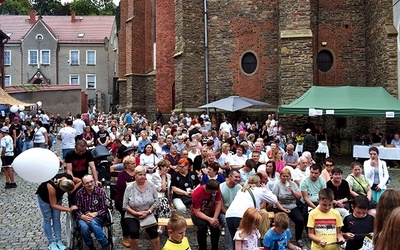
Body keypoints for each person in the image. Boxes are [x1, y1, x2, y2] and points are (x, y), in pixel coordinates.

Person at [225, 174, 277, 248]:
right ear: (258, 182)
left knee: (237, 244)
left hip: (229, 216)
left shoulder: (242, 189)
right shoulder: (259, 190)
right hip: (243, 216)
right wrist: (266, 189)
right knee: (251, 242)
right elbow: (274, 200)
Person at [36, 173, 80, 250]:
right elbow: (53, 205)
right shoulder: (51, 186)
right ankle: (51, 242)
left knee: (56, 218)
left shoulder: (68, 177)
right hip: (44, 198)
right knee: (47, 218)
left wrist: (71, 190)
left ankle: (59, 240)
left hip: (57, 197)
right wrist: (68, 209)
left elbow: (80, 181)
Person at [123, 165, 160, 250]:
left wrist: (148, 212)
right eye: (140, 174)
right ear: (135, 175)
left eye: (144, 174)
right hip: (132, 214)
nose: (142, 177)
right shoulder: (129, 188)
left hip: (149, 213)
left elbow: (157, 201)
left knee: (153, 232)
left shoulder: (151, 186)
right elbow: (125, 205)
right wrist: (136, 213)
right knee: (133, 232)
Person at [74, 174, 110, 250]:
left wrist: (95, 213)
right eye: (87, 183)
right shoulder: (79, 194)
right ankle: (90, 245)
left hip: (97, 216)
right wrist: (82, 216)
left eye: (91, 181)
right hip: (83, 216)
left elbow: (105, 208)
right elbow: (77, 209)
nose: (90, 184)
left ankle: (104, 243)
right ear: (83, 184)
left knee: (93, 222)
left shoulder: (100, 192)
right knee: (84, 227)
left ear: (94, 181)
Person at [272, 167, 304, 247]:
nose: (285, 178)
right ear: (281, 176)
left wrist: (292, 191)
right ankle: (282, 239)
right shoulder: (278, 185)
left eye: (287, 176)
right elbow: (274, 199)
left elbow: (300, 196)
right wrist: (282, 209)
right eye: (284, 176)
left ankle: (298, 238)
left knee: (300, 220)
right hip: (280, 206)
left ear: (290, 176)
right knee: (281, 222)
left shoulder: (293, 184)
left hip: (292, 206)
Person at [191, 179, 222, 250]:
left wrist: (214, 218)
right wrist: (209, 219)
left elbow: (218, 203)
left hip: (211, 212)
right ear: (208, 190)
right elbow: (197, 212)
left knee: (215, 227)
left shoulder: (216, 189)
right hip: (198, 213)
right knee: (202, 226)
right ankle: (202, 248)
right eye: (214, 192)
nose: (216, 192)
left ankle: (215, 247)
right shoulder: (197, 193)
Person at [114, 155, 136, 248]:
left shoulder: (137, 172)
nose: (135, 165)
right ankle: (125, 236)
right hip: (122, 199)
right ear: (126, 165)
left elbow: (144, 182)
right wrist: (135, 184)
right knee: (125, 216)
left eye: (135, 163)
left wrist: (131, 184)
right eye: (133, 163)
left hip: (136, 198)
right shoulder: (121, 174)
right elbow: (122, 187)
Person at [220, 170, 242, 250]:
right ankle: (229, 248)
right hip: (224, 211)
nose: (238, 179)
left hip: (236, 212)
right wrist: (229, 214)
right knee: (227, 222)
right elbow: (221, 207)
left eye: (239, 177)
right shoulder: (221, 187)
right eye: (236, 177)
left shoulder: (240, 188)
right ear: (229, 176)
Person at [151, 159, 172, 234]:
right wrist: (163, 177)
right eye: (166, 167)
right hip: (157, 197)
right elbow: (162, 189)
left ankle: (161, 225)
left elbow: (168, 190)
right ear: (161, 167)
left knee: (165, 203)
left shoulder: (169, 176)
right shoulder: (155, 176)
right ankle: (164, 225)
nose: (168, 168)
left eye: (168, 167)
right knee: (164, 202)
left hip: (166, 197)